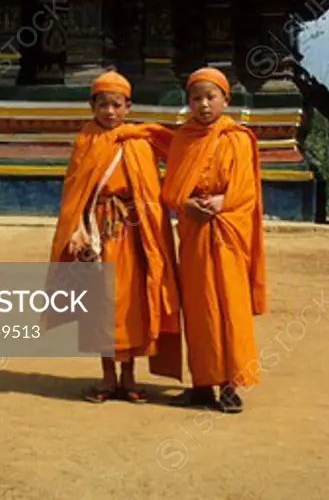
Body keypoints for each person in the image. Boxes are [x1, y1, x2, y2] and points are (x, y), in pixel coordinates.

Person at [48, 70, 181, 403]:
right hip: (97, 235)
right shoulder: (85, 141)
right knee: (99, 305)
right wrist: (77, 229)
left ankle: (130, 376)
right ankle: (107, 377)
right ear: (92, 105)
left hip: (135, 237)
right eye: (103, 105)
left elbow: (152, 189)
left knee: (134, 303)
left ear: (128, 106)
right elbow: (75, 193)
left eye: (116, 105)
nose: (110, 112)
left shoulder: (139, 141)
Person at [162, 66, 266, 414]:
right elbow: (172, 188)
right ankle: (202, 383)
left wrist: (222, 202)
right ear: (188, 102)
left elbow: (247, 191)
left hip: (227, 233)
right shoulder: (183, 138)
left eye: (211, 97)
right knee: (198, 307)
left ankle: (230, 385)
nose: (204, 105)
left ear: (226, 99)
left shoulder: (237, 137)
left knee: (228, 306)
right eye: (196, 98)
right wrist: (187, 204)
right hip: (193, 233)